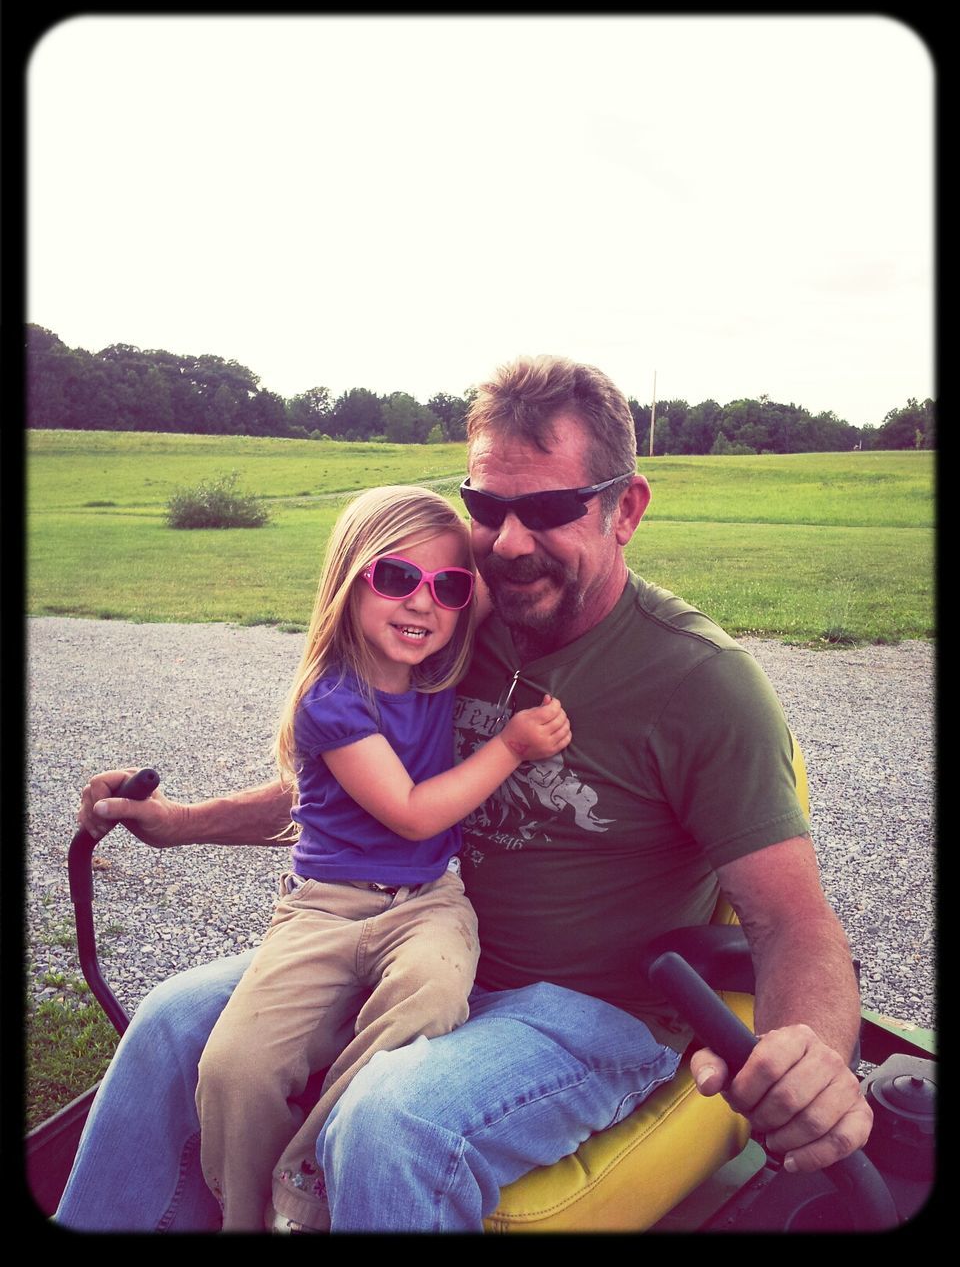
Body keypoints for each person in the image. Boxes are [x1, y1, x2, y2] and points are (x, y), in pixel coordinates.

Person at [56, 355, 872, 1234]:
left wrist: (812, 1060)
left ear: (624, 508)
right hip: (412, 947)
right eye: (486, 507)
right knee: (172, 1022)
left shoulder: (701, 684)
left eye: (551, 508)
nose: (509, 543)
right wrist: (172, 825)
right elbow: (346, 792)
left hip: (584, 1011)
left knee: (389, 1122)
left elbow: (793, 922)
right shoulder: (454, 621)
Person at [193, 484, 571, 1230]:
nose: (423, 604)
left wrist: (515, 528)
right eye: (396, 578)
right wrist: (511, 746)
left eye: (446, 586)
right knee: (233, 1068)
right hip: (325, 907)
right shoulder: (332, 700)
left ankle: (305, 1177)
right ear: (348, 581)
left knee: (432, 992)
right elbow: (410, 811)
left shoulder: (438, 661)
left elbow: (506, 571)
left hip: (429, 901)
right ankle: (242, 1215)